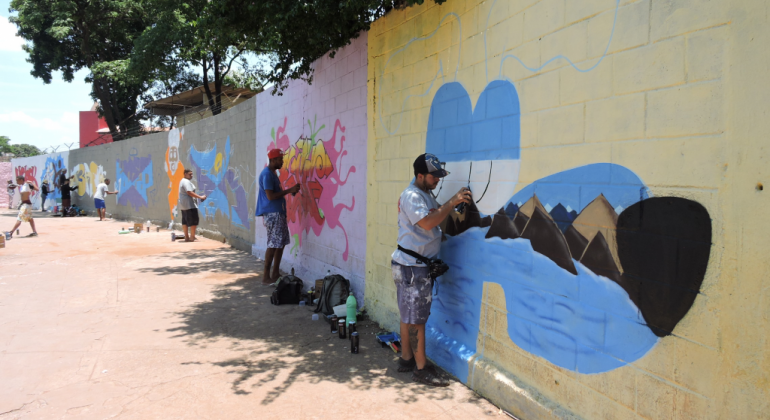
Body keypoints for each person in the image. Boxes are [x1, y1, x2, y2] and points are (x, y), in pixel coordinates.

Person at [391, 153, 471, 387]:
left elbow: (435, 221)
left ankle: (407, 359)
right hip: (413, 269)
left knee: (408, 316)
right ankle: (421, 369)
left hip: (409, 266)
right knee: (417, 321)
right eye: (433, 177)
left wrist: (454, 210)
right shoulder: (412, 196)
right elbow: (427, 222)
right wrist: (453, 201)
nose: (437, 180)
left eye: (438, 176)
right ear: (420, 176)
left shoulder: (424, 194)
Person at [256, 149, 300, 284]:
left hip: (277, 213)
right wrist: (289, 190)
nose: (282, 162)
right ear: (273, 160)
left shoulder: (272, 174)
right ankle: (266, 277)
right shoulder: (267, 175)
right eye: (280, 159)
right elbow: (270, 196)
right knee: (273, 244)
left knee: (280, 243)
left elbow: (275, 194)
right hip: (273, 214)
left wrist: (288, 192)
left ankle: (275, 273)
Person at [178, 168, 207, 241]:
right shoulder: (186, 182)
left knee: (185, 221)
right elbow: (189, 192)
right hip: (189, 205)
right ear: (185, 174)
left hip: (183, 205)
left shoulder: (182, 181)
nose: (191, 175)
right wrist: (200, 197)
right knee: (194, 221)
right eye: (190, 174)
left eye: (192, 174)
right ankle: (192, 237)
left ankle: (187, 237)